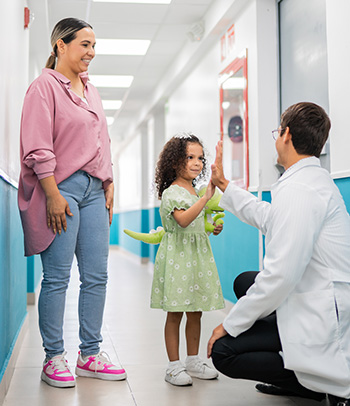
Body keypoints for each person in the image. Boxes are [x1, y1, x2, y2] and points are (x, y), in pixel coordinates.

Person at [207, 102, 350, 406]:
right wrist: (224, 186)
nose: (276, 138)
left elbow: (281, 275)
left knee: (224, 352)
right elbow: (269, 217)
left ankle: (310, 384)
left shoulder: (301, 190)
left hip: (324, 310)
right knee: (246, 281)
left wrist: (229, 325)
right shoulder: (308, 180)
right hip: (316, 292)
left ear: (286, 134)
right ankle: (298, 367)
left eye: (277, 131)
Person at [18, 18, 126, 388]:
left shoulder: (90, 90)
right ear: (60, 46)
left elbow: (102, 139)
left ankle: (91, 354)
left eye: (94, 45)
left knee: (96, 275)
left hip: (95, 190)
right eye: (84, 44)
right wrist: (51, 194)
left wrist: (109, 180)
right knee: (59, 276)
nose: (91, 53)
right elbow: (37, 145)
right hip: (61, 189)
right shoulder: (44, 87)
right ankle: (53, 358)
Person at [152, 132, 225, 386]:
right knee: (175, 312)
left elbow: (196, 223)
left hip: (196, 257)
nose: (197, 163)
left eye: (201, 158)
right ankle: (173, 366)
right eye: (190, 157)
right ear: (175, 162)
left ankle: (193, 360)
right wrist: (206, 198)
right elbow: (182, 221)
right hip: (178, 259)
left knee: (195, 311)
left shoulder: (194, 191)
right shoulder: (172, 192)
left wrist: (210, 228)